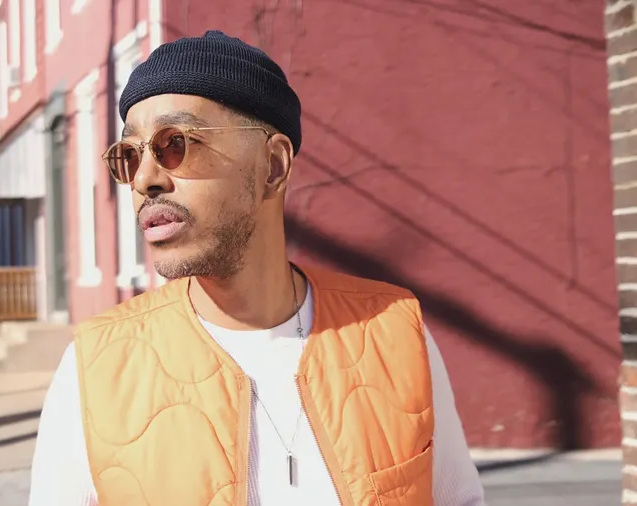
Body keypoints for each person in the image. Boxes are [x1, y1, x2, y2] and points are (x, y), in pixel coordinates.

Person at [29, 30, 485, 506]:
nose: (145, 179)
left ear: (272, 165)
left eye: (174, 144)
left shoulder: (396, 332)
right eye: (130, 155)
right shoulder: (93, 367)